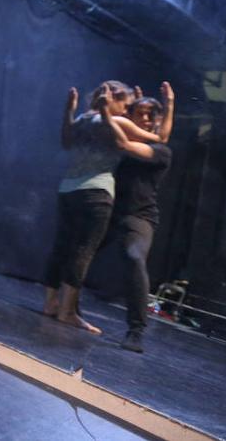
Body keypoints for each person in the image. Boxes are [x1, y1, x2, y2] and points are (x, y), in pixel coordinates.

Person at [42, 81, 161, 333]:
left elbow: (66, 142)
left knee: (61, 247)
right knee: (83, 252)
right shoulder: (117, 121)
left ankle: (51, 303)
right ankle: (67, 312)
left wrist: (68, 111)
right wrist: (168, 106)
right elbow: (159, 138)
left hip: (67, 189)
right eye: (127, 105)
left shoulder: (84, 118)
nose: (129, 111)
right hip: (96, 191)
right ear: (113, 99)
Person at [105, 82, 175, 352]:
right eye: (140, 113)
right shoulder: (118, 135)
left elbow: (125, 142)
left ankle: (136, 330)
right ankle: (62, 304)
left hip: (139, 217)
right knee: (77, 249)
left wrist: (169, 106)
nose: (145, 119)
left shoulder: (161, 151)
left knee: (134, 257)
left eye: (151, 115)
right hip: (109, 210)